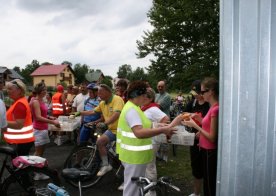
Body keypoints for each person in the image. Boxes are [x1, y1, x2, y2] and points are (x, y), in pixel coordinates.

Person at [116, 80, 176, 196]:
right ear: (136, 95)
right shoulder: (132, 110)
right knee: (131, 191)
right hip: (134, 157)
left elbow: (143, 125)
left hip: (134, 156)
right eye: (143, 95)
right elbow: (139, 132)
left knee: (135, 188)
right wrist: (163, 130)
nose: (145, 98)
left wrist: (158, 125)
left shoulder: (135, 107)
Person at [181, 77, 219, 196]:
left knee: (209, 184)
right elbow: (208, 125)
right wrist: (197, 118)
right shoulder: (212, 107)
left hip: (209, 151)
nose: (200, 95)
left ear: (211, 91)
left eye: (202, 92)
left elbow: (212, 137)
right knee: (206, 180)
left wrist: (195, 126)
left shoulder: (215, 109)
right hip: (204, 149)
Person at [78, 84, 124, 176]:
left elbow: (117, 114)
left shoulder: (117, 99)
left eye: (100, 93)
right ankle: (106, 165)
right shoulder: (103, 103)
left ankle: (124, 176)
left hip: (122, 131)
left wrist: (105, 123)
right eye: (98, 93)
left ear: (107, 92)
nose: (98, 95)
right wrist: (79, 113)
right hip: (112, 130)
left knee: (122, 155)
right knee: (100, 142)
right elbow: (92, 111)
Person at [141, 87, 170, 196]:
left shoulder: (153, 109)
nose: (142, 98)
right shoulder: (144, 108)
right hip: (146, 141)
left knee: (150, 166)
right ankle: (148, 187)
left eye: (144, 96)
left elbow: (165, 118)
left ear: (150, 98)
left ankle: (152, 191)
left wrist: (155, 129)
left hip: (152, 141)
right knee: (146, 166)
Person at [184, 80, 210, 196]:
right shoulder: (192, 103)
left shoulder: (209, 104)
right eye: (194, 93)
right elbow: (184, 114)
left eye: (197, 93)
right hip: (194, 140)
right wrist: (187, 117)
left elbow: (213, 122)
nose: (195, 95)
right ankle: (197, 193)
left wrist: (203, 131)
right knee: (196, 168)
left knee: (208, 169)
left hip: (207, 140)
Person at [4, 79, 35, 155]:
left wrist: (2, 122)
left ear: (19, 90)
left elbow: (19, 125)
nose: (8, 91)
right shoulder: (19, 102)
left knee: (18, 165)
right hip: (21, 140)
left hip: (20, 142)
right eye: (7, 89)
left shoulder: (19, 104)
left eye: (10, 89)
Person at [30, 82, 60, 157]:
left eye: (45, 90)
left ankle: (38, 167)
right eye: (44, 90)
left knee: (41, 152)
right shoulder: (36, 101)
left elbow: (42, 114)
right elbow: (38, 117)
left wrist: (49, 117)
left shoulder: (41, 100)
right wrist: (53, 122)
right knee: (38, 153)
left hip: (43, 129)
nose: (45, 91)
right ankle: (32, 167)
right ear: (39, 91)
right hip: (38, 129)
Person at [155, 80, 171, 161]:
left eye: (162, 86)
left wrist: (152, 105)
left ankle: (164, 157)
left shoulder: (167, 96)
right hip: (158, 120)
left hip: (165, 119)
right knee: (158, 138)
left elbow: (158, 107)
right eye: (159, 86)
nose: (160, 88)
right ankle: (158, 155)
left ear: (165, 87)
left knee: (165, 139)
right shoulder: (156, 95)